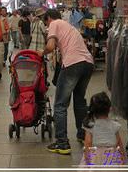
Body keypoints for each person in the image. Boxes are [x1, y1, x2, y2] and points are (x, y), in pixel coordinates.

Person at [39, 9, 94, 155]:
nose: (47, 27)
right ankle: (83, 135)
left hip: (73, 64)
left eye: (46, 23)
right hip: (88, 63)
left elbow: (50, 47)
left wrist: (41, 53)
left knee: (60, 104)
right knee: (80, 101)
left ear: (49, 18)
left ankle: (62, 143)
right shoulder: (70, 27)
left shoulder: (54, 23)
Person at [79, 92, 124, 172]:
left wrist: (87, 159)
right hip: (110, 156)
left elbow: (88, 143)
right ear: (109, 109)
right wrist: (122, 156)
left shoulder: (91, 125)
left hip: (95, 156)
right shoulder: (114, 125)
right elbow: (119, 142)